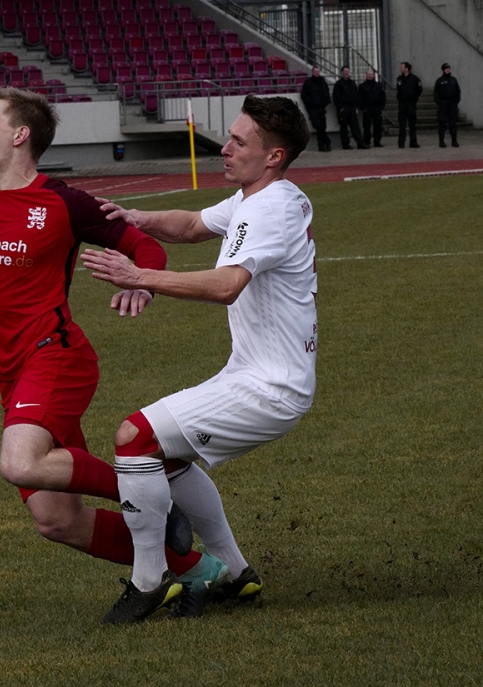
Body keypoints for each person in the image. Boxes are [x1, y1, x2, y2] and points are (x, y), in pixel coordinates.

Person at [0, 87, 218, 617]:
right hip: (11, 375)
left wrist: (143, 282)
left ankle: (146, 495)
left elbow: (141, 244)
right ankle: (200, 571)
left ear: (20, 134)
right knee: (57, 520)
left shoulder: (64, 201)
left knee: (19, 463)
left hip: (56, 357)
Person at [82, 95, 316, 624]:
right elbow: (190, 225)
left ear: (273, 156)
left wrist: (139, 276)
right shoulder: (263, 195)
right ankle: (234, 573)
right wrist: (134, 217)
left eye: (238, 141)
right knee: (162, 459)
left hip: (270, 387)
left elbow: (227, 285)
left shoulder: (268, 209)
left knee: (134, 438)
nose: (225, 148)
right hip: (259, 374)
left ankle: (148, 583)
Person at [332, 65, 366, 150]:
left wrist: (356, 106)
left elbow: (356, 95)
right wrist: (341, 108)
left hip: (352, 108)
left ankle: (360, 143)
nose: (346, 73)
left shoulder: (352, 83)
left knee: (355, 127)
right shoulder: (339, 84)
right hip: (344, 109)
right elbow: (336, 97)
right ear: (342, 73)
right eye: (345, 72)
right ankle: (345, 144)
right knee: (344, 128)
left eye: (348, 71)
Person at [300, 65, 331, 152]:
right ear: (312, 72)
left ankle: (323, 145)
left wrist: (324, 103)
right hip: (313, 109)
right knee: (318, 126)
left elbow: (326, 94)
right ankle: (326, 142)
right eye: (315, 72)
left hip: (321, 108)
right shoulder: (308, 83)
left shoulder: (323, 83)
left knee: (322, 127)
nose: (317, 73)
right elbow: (304, 95)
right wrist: (311, 103)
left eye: (318, 71)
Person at [434, 63, 461, 148]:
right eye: (446, 68)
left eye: (449, 68)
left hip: (452, 104)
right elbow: (436, 93)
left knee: (453, 123)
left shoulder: (453, 80)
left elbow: (458, 91)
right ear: (443, 70)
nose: (448, 70)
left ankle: (454, 141)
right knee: (442, 123)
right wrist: (440, 103)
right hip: (443, 104)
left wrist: (456, 101)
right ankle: (441, 141)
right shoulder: (439, 81)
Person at [396, 61, 423, 148]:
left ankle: (413, 142)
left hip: (411, 104)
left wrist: (414, 97)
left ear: (407, 69)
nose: (401, 68)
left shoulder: (415, 79)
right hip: (402, 104)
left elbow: (419, 89)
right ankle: (401, 143)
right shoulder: (399, 79)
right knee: (402, 124)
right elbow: (398, 89)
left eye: (402, 67)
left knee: (412, 124)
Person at [358, 68, 386, 148]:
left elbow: (383, 97)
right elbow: (359, 98)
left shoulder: (378, 85)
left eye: (371, 74)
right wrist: (363, 108)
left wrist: (381, 107)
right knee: (366, 126)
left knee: (378, 126)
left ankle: (377, 141)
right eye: (368, 74)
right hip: (367, 109)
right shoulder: (362, 86)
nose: (370, 76)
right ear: (366, 75)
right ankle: (367, 141)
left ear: (374, 75)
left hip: (377, 108)